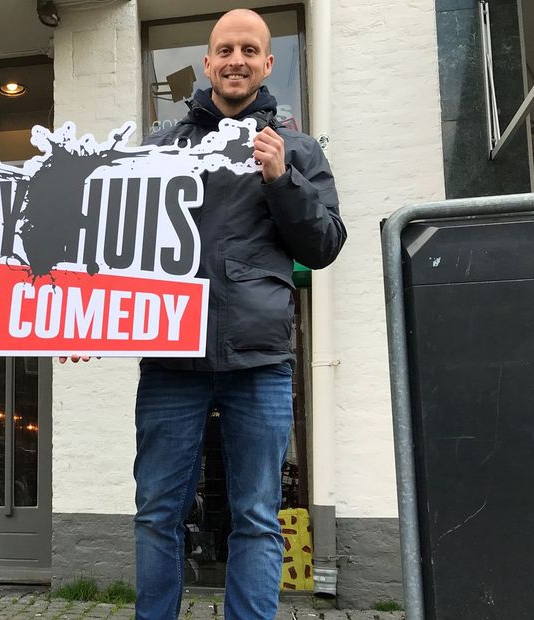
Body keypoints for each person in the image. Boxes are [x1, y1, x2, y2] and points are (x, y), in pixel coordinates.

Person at [133, 9, 346, 620]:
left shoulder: (298, 149)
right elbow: (115, 249)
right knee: (157, 513)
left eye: (250, 49)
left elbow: (325, 245)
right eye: (225, 48)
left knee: (255, 517)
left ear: (267, 62)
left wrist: (282, 179)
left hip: (260, 362)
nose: (236, 59)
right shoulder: (161, 147)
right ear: (207, 61)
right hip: (172, 357)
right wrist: (84, 318)